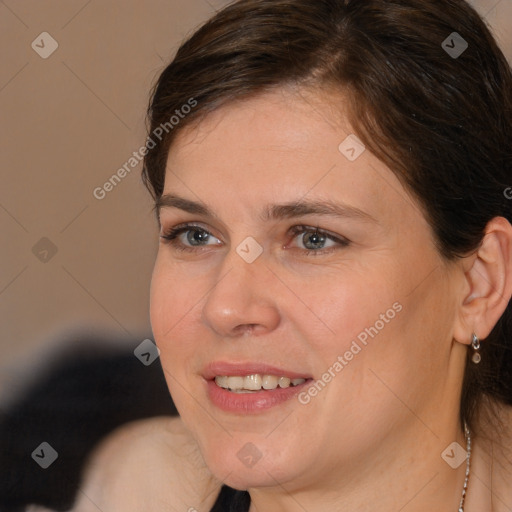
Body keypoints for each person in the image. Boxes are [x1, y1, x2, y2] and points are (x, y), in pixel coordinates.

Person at [69, 0, 512, 510]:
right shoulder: (137, 490)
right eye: (194, 235)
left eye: (313, 238)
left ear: (479, 284)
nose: (226, 308)